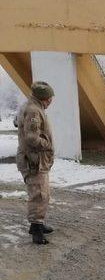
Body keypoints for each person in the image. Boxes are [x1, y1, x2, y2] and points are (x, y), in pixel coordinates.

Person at [15, 81, 55, 245]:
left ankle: (38, 223)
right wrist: (47, 144)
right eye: (50, 98)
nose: (51, 101)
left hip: (35, 160)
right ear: (44, 98)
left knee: (41, 193)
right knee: (39, 195)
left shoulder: (31, 106)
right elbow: (32, 138)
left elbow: (17, 122)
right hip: (33, 160)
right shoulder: (33, 110)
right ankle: (36, 230)